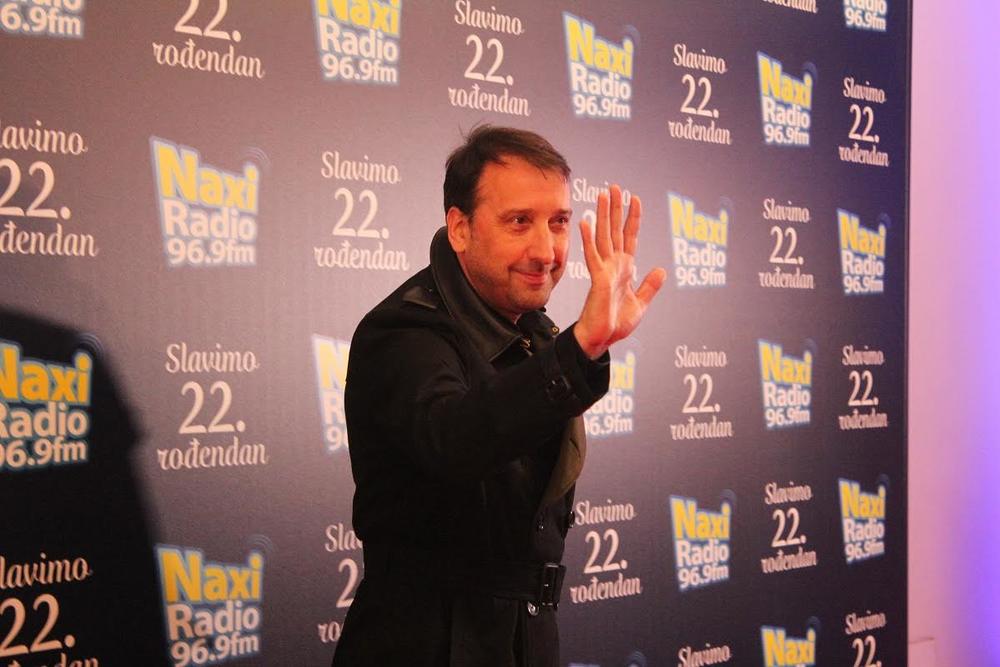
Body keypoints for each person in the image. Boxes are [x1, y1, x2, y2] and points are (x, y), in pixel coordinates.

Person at [331, 125, 666, 666]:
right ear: (460, 229)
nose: (546, 251)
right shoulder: (403, 332)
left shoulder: (534, 332)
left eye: (558, 222)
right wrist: (582, 345)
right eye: (519, 222)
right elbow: (457, 439)